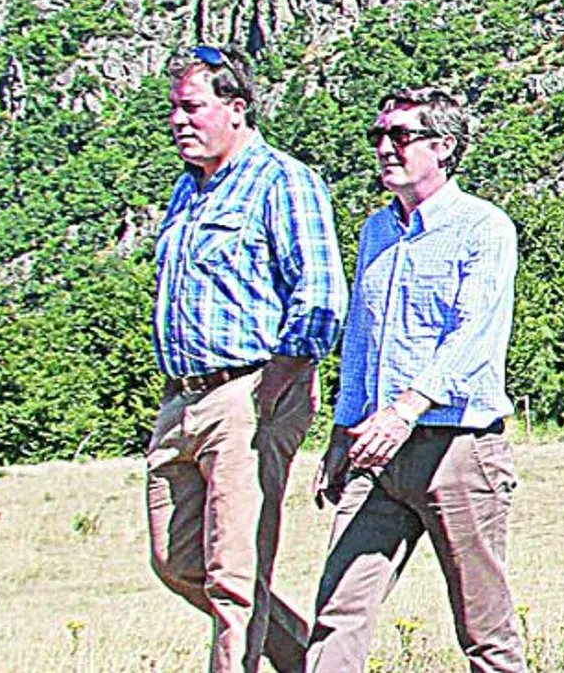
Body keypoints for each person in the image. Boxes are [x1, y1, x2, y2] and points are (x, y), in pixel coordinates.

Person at [308, 88, 527, 672]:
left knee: (485, 631)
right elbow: (361, 339)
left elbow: (473, 336)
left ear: (443, 147)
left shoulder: (483, 227)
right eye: (378, 136)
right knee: (337, 614)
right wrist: (340, 431)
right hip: (375, 450)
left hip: (456, 446)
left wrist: (406, 407)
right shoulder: (376, 232)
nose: (384, 148)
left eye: (399, 136)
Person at [148, 45, 346, 673]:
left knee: (235, 573)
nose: (179, 120)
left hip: (249, 391)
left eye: (192, 107)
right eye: (175, 109)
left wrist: (280, 379)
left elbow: (319, 292)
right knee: (176, 560)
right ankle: (307, 659)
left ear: (236, 108)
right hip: (181, 397)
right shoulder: (187, 191)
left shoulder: (281, 180)